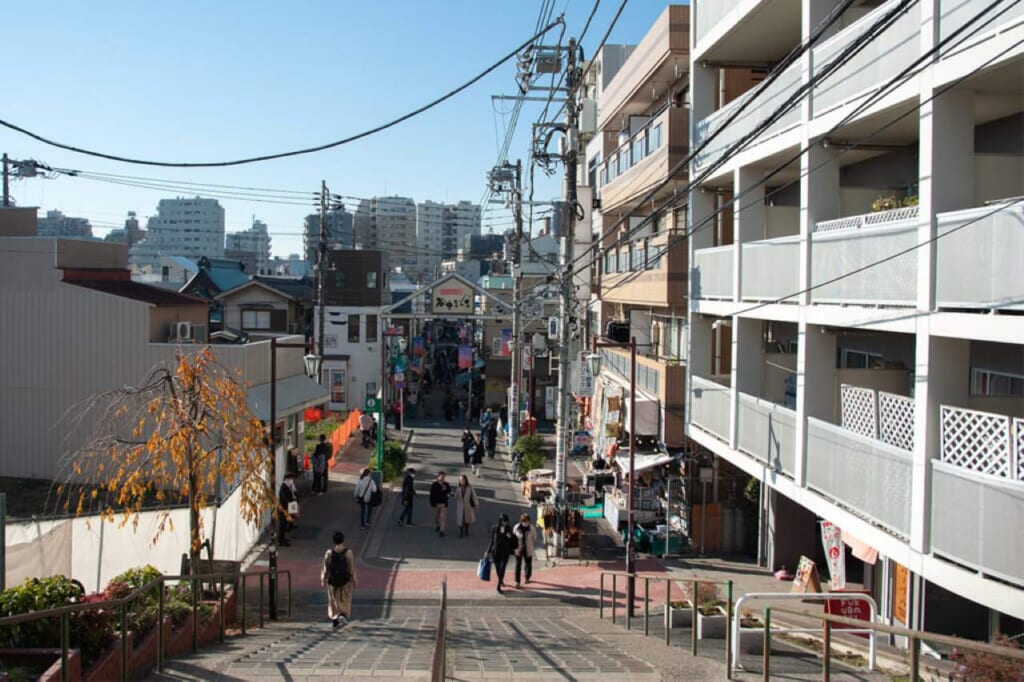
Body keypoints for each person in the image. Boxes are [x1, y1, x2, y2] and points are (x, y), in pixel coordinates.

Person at [321, 530, 356, 628]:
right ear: (343, 540)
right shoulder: (348, 553)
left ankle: (335, 618)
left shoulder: (329, 553)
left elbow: (325, 567)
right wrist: (354, 580)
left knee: (333, 599)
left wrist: (323, 579)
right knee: (345, 599)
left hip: (332, 581)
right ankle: (343, 615)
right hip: (345, 581)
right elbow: (351, 568)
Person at [486, 513, 516, 593]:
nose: (505, 523)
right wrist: (488, 551)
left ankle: (498, 585)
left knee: (502, 568)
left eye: (506, 521)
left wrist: (510, 537)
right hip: (496, 552)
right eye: (503, 521)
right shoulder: (495, 528)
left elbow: (513, 540)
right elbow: (492, 540)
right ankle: (501, 579)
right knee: (498, 568)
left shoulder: (509, 528)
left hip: (505, 551)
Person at [512, 511, 537, 588]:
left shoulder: (532, 528)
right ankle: (517, 581)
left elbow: (534, 538)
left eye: (527, 521)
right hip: (519, 548)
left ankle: (527, 577)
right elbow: (513, 537)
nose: (526, 523)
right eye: (524, 521)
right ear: (521, 521)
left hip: (528, 548)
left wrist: (529, 543)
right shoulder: (517, 527)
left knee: (528, 564)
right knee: (518, 565)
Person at [428, 471, 452, 537]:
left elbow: (449, 492)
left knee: (443, 517)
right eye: (441, 477)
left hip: (443, 503)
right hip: (436, 503)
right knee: (437, 516)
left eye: (444, 477)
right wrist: (432, 503)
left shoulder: (446, 484)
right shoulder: (434, 484)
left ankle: (442, 530)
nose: (442, 478)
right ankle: (438, 525)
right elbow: (431, 494)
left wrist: (446, 489)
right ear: (438, 477)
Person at [277, 473, 297, 546]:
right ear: (286, 479)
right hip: (283, 508)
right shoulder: (284, 487)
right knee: (282, 524)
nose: (291, 480)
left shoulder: (288, 486)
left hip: (286, 507)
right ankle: (281, 540)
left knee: (284, 523)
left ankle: (282, 538)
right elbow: (285, 498)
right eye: (290, 479)